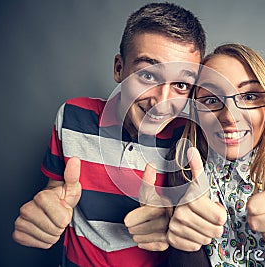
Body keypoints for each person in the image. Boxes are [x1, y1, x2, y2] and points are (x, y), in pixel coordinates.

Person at [12, 3, 206, 266]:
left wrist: (172, 221)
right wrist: (48, 209)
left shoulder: (189, 140)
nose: (162, 100)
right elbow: (58, 189)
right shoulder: (72, 116)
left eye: (181, 85)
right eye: (148, 75)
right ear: (119, 69)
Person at [165, 43, 265, 266]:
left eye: (250, 96)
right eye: (211, 100)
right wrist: (185, 241)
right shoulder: (183, 162)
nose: (230, 118)